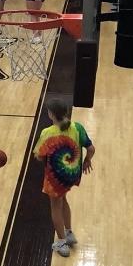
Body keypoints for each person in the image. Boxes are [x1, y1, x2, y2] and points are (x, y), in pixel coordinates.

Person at [33, 100, 94, 257]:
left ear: (51, 114)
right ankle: (68, 233)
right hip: (72, 174)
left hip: (56, 178)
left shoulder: (48, 132)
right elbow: (91, 148)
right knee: (63, 199)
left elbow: (39, 156)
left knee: (55, 207)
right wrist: (87, 160)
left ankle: (61, 243)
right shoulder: (78, 127)